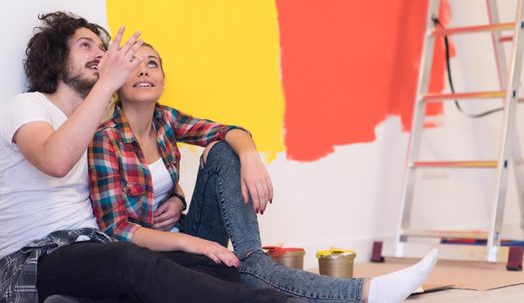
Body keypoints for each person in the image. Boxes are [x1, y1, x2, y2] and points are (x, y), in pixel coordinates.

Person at [88, 42, 440, 303]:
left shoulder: (166, 120)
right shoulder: (105, 138)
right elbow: (117, 229)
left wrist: (251, 157)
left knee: (224, 149)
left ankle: (252, 257)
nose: (145, 71)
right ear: (117, 80)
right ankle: (364, 292)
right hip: (150, 258)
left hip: (188, 235)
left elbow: (228, 130)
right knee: (247, 275)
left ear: (164, 79)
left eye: (152, 64)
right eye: (133, 65)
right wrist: (192, 241)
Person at [0, 11, 303, 303]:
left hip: (95, 248)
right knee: (129, 260)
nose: (101, 55)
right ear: (56, 58)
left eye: (103, 48)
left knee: (214, 269)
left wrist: (178, 196)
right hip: (37, 257)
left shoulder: (95, 122)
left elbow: (134, 180)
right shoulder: (28, 105)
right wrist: (107, 84)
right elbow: (55, 161)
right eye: (86, 45)